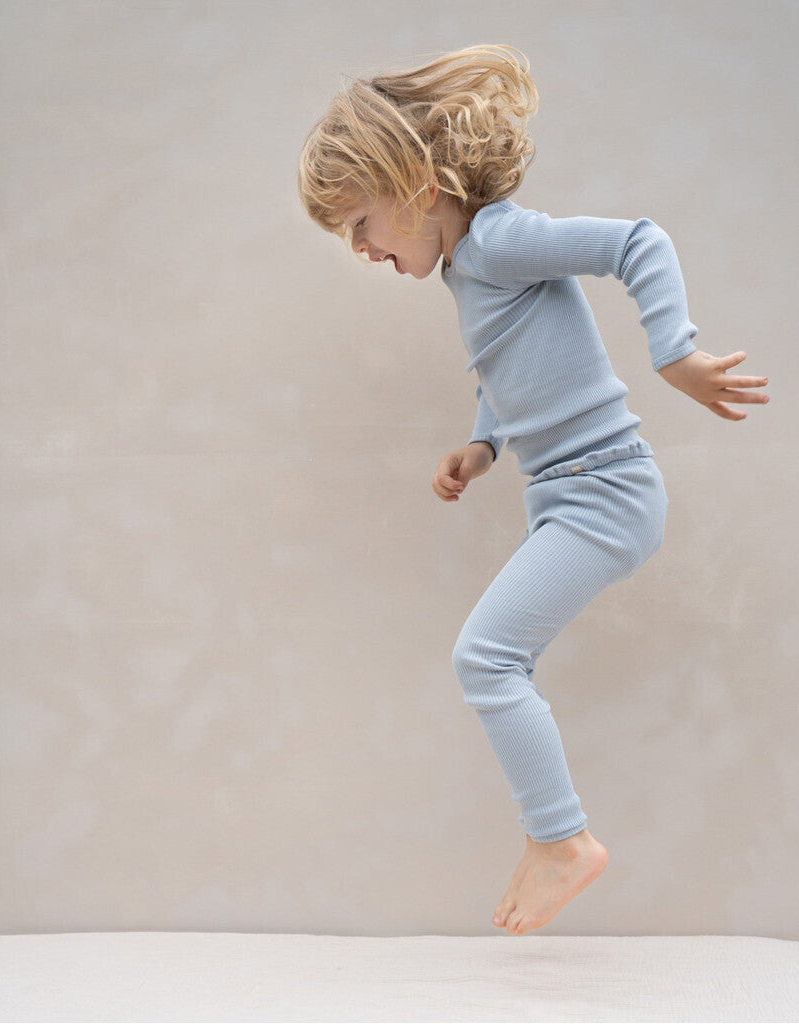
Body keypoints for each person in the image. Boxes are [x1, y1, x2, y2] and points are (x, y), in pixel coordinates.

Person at [298, 45, 768, 936]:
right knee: (493, 658)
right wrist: (484, 443)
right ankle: (558, 840)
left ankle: (562, 842)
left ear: (417, 189)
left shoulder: (500, 241)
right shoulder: (468, 267)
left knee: (486, 659)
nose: (359, 249)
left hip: (605, 493)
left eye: (360, 223)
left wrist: (674, 353)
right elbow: (512, 362)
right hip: (568, 492)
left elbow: (637, 241)